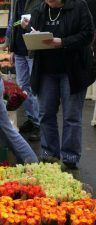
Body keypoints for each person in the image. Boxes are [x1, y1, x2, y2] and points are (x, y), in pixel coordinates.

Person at [26, 0, 95, 169]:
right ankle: (49, 153)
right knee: (45, 113)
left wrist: (62, 42)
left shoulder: (79, 6)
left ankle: (70, 157)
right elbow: (32, 32)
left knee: (71, 115)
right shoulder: (40, 9)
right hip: (45, 71)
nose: (49, 0)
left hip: (73, 71)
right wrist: (30, 31)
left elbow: (87, 35)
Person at [5, 0, 42, 140]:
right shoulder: (15, 2)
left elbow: (41, 23)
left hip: (33, 50)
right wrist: (11, 47)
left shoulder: (39, 2)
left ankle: (39, 124)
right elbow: (12, 23)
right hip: (19, 50)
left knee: (35, 88)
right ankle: (32, 119)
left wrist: (29, 26)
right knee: (22, 87)